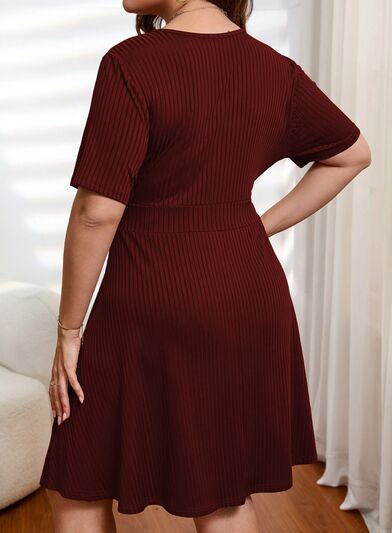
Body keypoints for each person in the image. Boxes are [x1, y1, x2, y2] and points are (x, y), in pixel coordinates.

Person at [39, 0, 371, 531]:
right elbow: (352, 154)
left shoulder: (131, 62)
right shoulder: (274, 69)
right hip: (248, 291)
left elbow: (97, 213)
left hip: (153, 291)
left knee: (78, 477)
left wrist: (68, 331)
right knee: (222, 492)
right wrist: (253, 229)